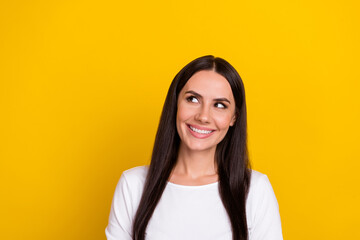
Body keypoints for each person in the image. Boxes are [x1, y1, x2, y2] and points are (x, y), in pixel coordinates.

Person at [105, 55, 283, 240]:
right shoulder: (132, 185)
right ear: (175, 104)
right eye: (193, 99)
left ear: (234, 118)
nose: (203, 116)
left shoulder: (255, 190)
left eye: (220, 105)